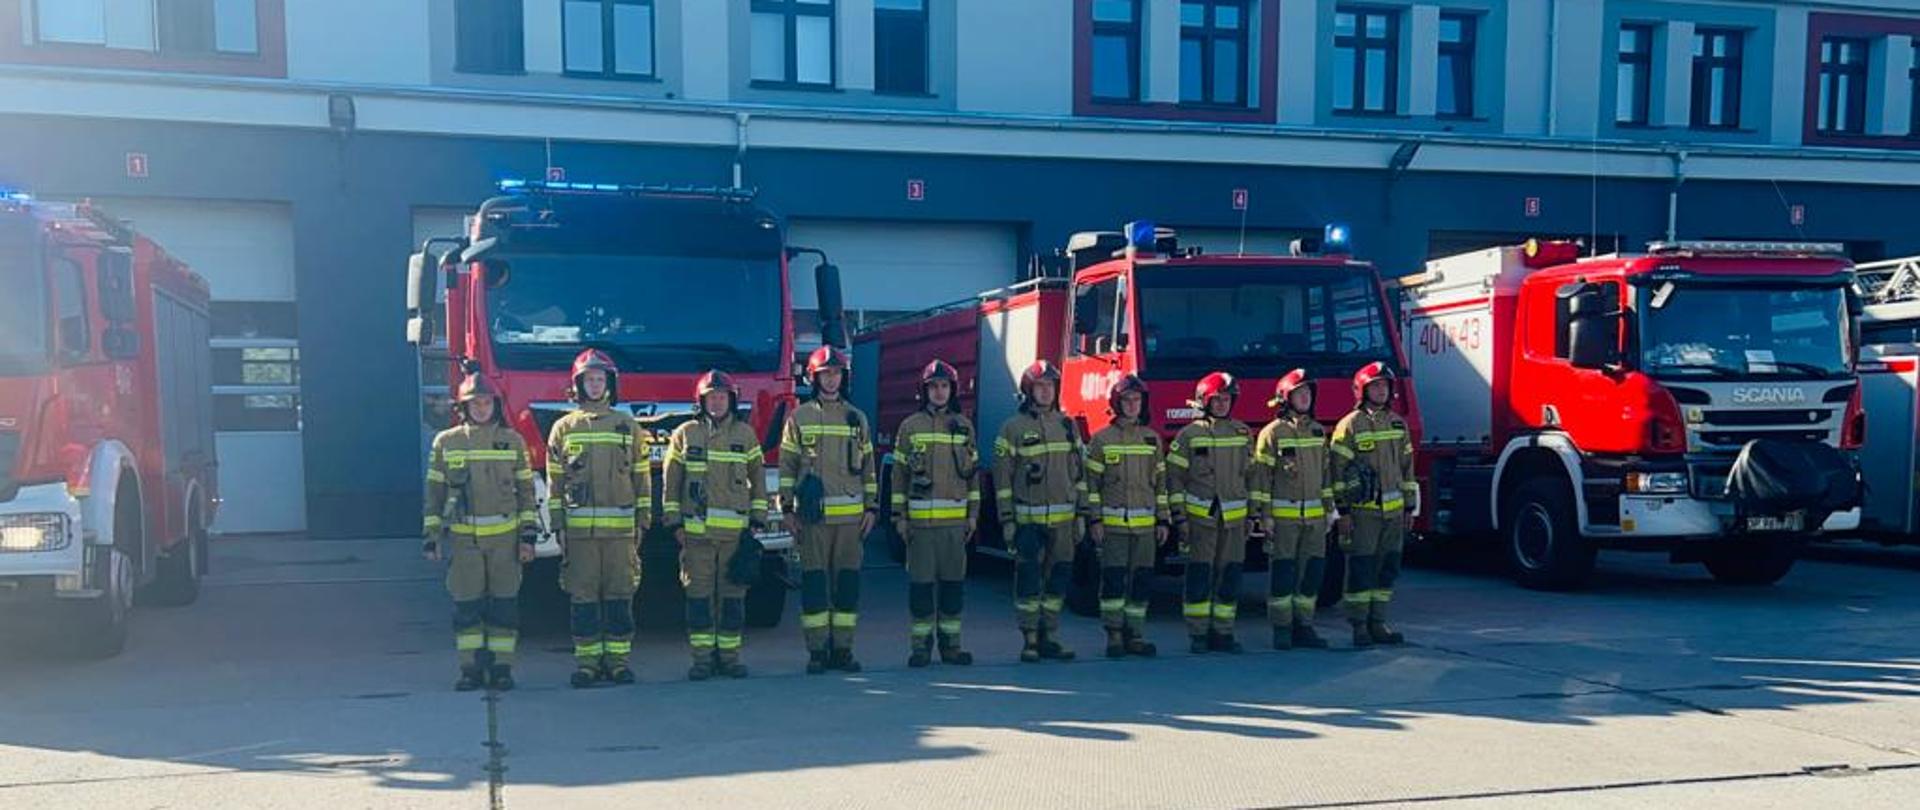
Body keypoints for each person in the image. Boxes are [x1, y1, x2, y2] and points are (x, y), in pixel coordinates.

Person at [423, 373, 538, 691]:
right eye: (475, 403)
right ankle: (470, 670)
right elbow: (434, 495)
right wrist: (431, 537)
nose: (482, 408)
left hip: (506, 541)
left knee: (504, 608)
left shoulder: (513, 441)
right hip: (465, 541)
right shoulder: (446, 442)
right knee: (467, 608)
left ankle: (502, 669)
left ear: (496, 405)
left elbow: (527, 494)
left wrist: (528, 537)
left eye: (487, 403)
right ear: (463, 407)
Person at [546, 349, 650, 688]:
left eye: (600, 379)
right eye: (589, 379)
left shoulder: (628, 426)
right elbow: (555, 483)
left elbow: (641, 478)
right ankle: (587, 665)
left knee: (620, 597)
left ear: (610, 384)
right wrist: (558, 525)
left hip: (620, 535)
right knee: (584, 600)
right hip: (579, 537)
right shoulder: (564, 428)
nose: (594, 385)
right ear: (578, 385)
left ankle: (618, 663)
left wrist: (643, 520)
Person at [663, 370, 769, 680]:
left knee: (732, 600)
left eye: (722, 397)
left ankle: (730, 659)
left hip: (735, 538)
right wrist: (674, 524)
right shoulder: (684, 434)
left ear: (731, 400)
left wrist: (758, 520)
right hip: (696, 538)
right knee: (699, 599)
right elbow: (672, 483)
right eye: (711, 397)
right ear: (701, 401)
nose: (717, 402)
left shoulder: (745, 435)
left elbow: (759, 480)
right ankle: (702, 661)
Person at [780, 346, 878, 674]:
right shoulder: (799, 418)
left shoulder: (857, 418)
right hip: (813, 520)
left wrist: (872, 508)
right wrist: (787, 509)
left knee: (847, 586)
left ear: (844, 377)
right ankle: (817, 652)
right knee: (814, 586)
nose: (831, 379)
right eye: (825, 374)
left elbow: (869, 468)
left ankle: (843, 651)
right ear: (814, 378)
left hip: (851, 521)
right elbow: (787, 467)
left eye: (836, 373)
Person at [993, 360, 1087, 662]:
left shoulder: (1068, 426)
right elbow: (1002, 479)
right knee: (1029, 582)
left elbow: (1080, 474)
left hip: (1064, 524)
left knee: (1058, 581)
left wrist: (1082, 515)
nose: (1046, 391)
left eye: (1050, 385)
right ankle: (1030, 639)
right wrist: (1007, 520)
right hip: (1028, 522)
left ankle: (1051, 636)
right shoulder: (1012, 428)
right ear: (1028, 390)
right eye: (1040, 386)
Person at [889, 359, 979, 667]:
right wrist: (899, 517)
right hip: (921, 528)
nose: (939, 392)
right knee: (921, 590)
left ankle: (952, 647)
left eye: (944, 386)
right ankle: (921, 648)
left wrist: (973, 515)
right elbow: (898, 477)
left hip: (955, 527)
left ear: (952, 390)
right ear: (924, 390)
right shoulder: (910, 427)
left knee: (953, 589)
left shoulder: (964, 427)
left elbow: (972, 477)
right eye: (933, 387)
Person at [1330, 361, 1418, 648]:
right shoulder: (1349, 425)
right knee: (1361, 568)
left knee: (1387, 568)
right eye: (1375, 386)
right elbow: (1337, 472)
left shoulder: (1398, 424)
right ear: (1362, 390)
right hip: (1363, 514)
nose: (1381, 391)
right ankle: (1359, 626)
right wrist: (1342, 512)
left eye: (1385, 386)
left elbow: (1407, 469)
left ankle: (1378, 622)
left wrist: (1409, 507)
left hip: (1393, 513)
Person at [1167, 371, 1254, 655]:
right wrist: (1179, 517)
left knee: (1230, 576)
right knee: (1200, 575)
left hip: (1235, 521)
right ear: (1204, 401)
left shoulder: (1243, 433)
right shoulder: (1188, 435)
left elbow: (1252, 478)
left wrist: (1253, 515)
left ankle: (1224, 632)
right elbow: (1174, 479)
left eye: (1227, 399)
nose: (1222, 404)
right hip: (1200, 520)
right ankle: (1198, 633)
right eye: (1216, 399)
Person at [1084, 374, 1168, 658]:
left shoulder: (1152, 439)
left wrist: (1163, 520)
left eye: (1137, 400)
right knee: (1114, 581)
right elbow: (1091, 486)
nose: (1132, 405)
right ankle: (1114, 636)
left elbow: (1161, 486)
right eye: (1127, 400)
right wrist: (1095, 519)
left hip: (1145, 529)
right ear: (1116, 403)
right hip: (1113, 528)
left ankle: (1136, 635)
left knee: (1141, 581)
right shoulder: (1101, 440)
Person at [1250, 369, 1333, 651]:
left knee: (1311, 573)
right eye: (1299, 393)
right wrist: (1264, 515)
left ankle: (1304, 626)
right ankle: (1282, 628)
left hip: (1315, 520)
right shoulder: (1271, 433)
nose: (1305, 398)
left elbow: (1325, 475)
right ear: (1286, 398)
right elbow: (1262, 479)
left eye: (1308, 393)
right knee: (1283, 574)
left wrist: (1329, 510)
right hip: (1283, 521)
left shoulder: (1318, 431)